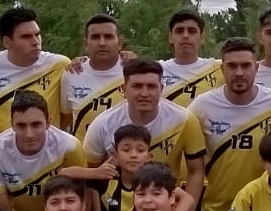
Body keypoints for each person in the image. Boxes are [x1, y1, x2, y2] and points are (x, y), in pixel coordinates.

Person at [191, 38, 271, 211]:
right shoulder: (202, 106)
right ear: (222, 69)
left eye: (246, 66)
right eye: (232, 66)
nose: (239, 73)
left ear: (256, 68)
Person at [81, 59, 208, 197]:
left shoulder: (184, 119)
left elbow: (196, 172)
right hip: (116, 207)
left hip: (166, 204)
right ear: (123, 89)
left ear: (162, 89)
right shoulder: (102, 124)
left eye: (151, 86)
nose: (144, 93)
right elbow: (92, 176)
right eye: (137, 86)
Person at [0, 91, 86, 211]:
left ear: (48, 122)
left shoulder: (69, 146)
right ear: (12, 124)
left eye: (36, 125)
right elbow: (2, 207)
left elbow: (81, 195)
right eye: (21, 126)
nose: (29, 134)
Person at [0, 7, 71, 139]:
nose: (35, 41)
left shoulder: (60, 65)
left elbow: (68, 113)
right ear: (7, 42)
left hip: (45, 153)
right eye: (26, 37)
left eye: (37, 34)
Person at [61, 14, 126, 136]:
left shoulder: (134, 71)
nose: (102, 43)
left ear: (120, 43)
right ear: (86, 43)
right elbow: (65, 117)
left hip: (125, 154)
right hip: (82, 154)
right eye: (95, 37)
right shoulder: (72, 73)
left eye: (108, 37)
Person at [160, 9, 224, 106]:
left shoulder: (221, 67)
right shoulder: (157, 70)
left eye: (192, 31)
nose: (185, 35)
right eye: (179, 31)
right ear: (170, 37)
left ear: (202, 37)